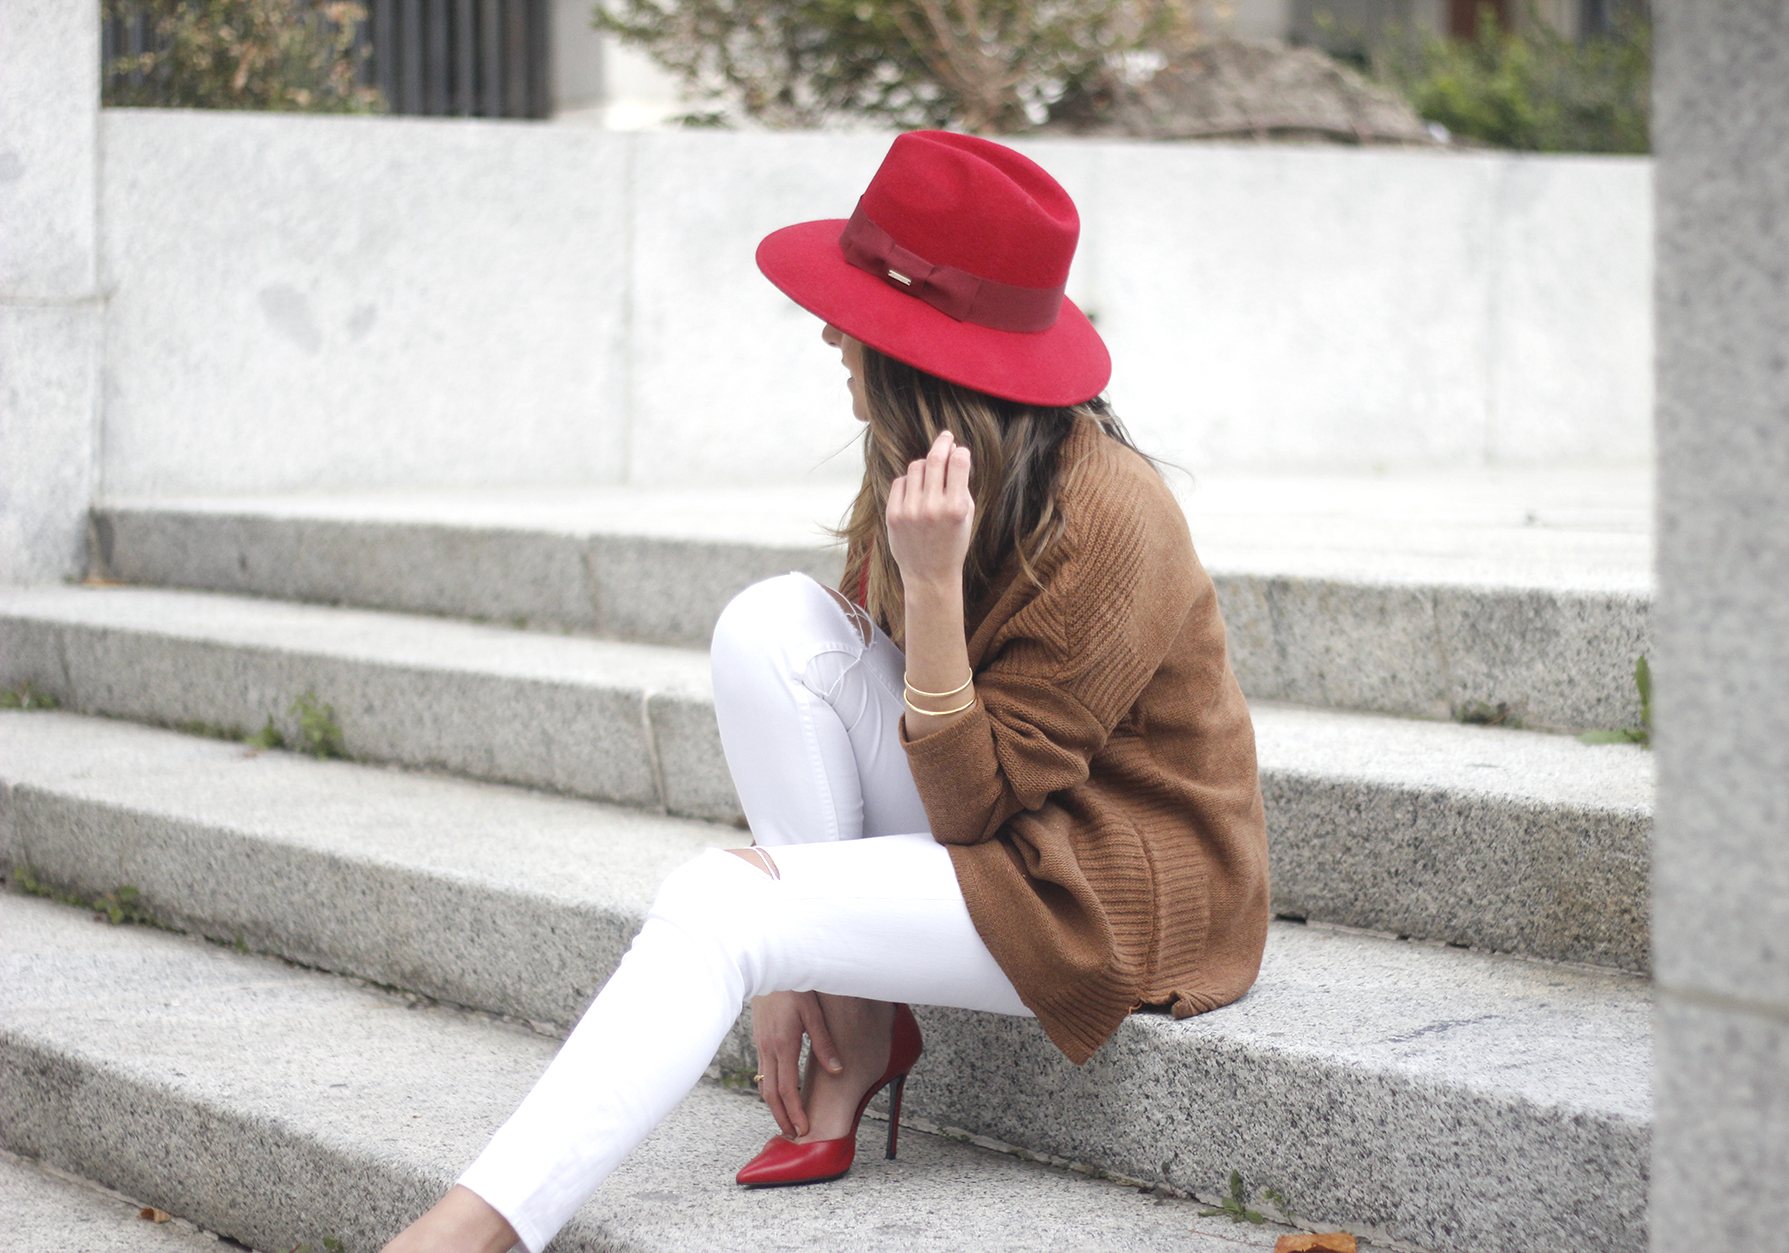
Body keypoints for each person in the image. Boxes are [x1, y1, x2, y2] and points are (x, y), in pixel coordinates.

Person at [381, 130, 1268, 1253]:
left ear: (920, 349)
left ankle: (463, 1237)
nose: (828, 333)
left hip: (1108, 884)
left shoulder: (1111, 512)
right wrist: (801, 926)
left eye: (853, 314)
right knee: (769, 624)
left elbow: (973, 807)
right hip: (998, 814)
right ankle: (856, 1025)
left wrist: (932, 588)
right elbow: (906, 753)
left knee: (721, 901)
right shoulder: (923, 451)